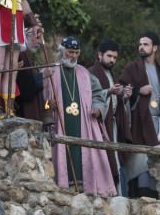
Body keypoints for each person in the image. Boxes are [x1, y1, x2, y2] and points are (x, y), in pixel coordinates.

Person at [41, 37, 117, 196]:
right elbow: (41, 100)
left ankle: (86, 188)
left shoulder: (85, 73)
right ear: (62, 51)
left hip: (84, 124)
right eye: (70, 52)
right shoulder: (50, 71)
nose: (73, 56)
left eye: (76, 53)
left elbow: (98, 94)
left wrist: (98, 108)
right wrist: (48, 105)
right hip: (60, 123)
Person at [120, 32, 160, 198]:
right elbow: (122, 90)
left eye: (146, 44)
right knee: (140, 163)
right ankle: (138, 197)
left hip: (159, 124)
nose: (141, 47)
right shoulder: (132, 68)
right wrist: (137, 91)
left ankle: (157, 198)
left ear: (155, 48)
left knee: (158, 163)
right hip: (140, 124)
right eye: (140, 44)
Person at [88, 39, 133, 191]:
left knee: (116, 161)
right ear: (99, 55)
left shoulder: (113, 75)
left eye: (114, 57)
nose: (112, 60)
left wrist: (124, 96)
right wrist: (109, 91)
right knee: (104, 159)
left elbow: (116, 102)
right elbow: (89, 97)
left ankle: (118, 193)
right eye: (109, 56)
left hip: (113, 125)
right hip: (99, 127)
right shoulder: (90, 73)